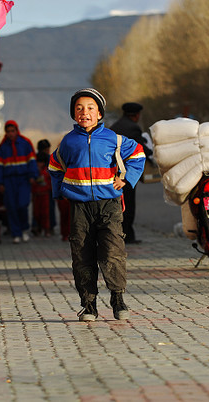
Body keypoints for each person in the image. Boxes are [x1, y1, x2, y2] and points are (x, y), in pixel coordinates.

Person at [49, 88, 145, 321]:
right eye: (79, 108)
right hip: (79, 208)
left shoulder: (114, 139)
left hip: (109, 205)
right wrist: (61, 190)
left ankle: (118, 298)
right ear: (74, 114)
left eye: (91, 108)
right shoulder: (68, 142)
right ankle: (89, 304)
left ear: (100, 114)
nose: (85, 112)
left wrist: (127, 178)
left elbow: (138, 154)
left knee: (113, 252)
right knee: (82, 255)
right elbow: (54, 166)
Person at [110, 102, 152, 244]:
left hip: (113, 172)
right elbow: (141, 148)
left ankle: (123, 233)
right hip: (127, 173)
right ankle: (127, 235)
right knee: (128, 205)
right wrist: (152, 153)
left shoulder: (114, 127)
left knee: (118, 204)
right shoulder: (133, 128)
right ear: (136, 115)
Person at [0, 120, 39, 244]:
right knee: (12, 207)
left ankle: (25, 229)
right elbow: (0, 166)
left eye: (12, 131)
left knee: (22, 205)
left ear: (17, 130)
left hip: (23, 179)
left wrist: (33, 175)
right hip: (9, 180)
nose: (10, 134)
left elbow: (32, 161)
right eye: (8, 131)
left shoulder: (25, 143)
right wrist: (0, 182)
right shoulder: (3, 147)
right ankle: (16, 233)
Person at [32, 152, 52, 236]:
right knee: (36, 213)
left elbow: (50, 182)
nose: (39, 164)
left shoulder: (46, 172)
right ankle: (39, 228)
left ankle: (46, 229)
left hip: (45, 194)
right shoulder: (34, 172)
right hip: (36, 195)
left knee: (45, 213)